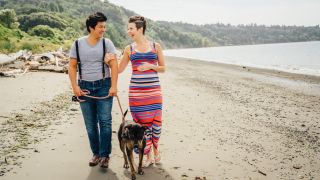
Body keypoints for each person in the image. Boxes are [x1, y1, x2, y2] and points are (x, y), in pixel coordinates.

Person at [68, 12, 118, 168]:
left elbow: (114, 66)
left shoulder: (107, 43)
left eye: (104, 26)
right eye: (100, 27)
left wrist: (114, 86)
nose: (103, 29)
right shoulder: (77, 44)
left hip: (104, 85)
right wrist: (75, 87)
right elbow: (72, 66)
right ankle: (95, 153)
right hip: (84, 87)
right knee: (90, 124)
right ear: (91, 27)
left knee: (105, 122)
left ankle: (105, 155)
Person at [116, 15, 165, 167]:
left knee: (156, 127)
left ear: (140, 28)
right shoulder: (128, 49)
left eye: (131, 28)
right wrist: (110, 60)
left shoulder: (155, 46)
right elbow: (119, 69)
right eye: (128, 28)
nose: (128, 31)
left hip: (154, 94)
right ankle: (148, 156)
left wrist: (150, 66)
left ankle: (156, 150)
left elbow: (163, 68)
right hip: (136, 95)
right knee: (142, 127)